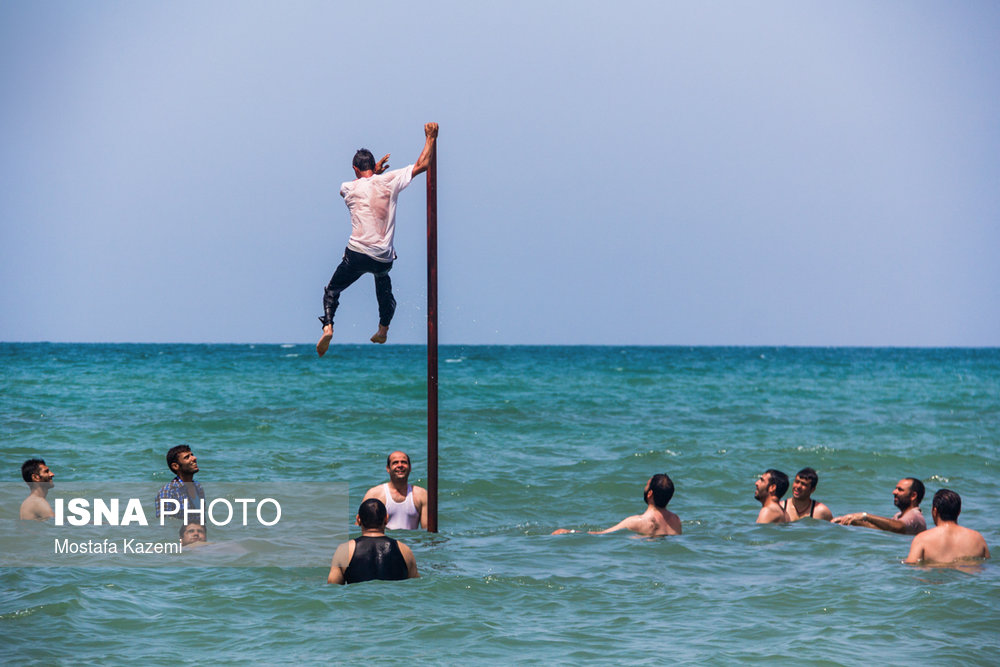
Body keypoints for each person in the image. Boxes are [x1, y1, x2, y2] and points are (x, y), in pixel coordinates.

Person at [316, 122, 440, 356]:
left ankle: (328, 327)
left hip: (355, 254)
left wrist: (375, 174)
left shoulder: (347, 188)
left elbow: (362, 185)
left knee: (332, 290)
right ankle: (383, 330)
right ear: (374, 165)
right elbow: (424, 164)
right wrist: (430, 138)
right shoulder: (390, 181)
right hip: (382, 257)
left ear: (354, 168)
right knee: (383, 285)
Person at [552, 474, 682, 537]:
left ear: (650, 494)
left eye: (646, 485)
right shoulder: (676, 521)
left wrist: (568, 532)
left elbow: (601, 535)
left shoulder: (636, 522)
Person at [327, 498, 419, 585]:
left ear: (358, 520)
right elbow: (416, 587)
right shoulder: (404, 550)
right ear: (386, 519)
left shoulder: (344, 551)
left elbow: (332, 590)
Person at [904, 489, 990, 564]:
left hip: (936, 580)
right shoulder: (978, 538)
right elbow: (986, 565)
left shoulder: (922, 539)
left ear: (935, 511)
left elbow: (912, 566)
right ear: (959, 512)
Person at [832, 477, 926, 534]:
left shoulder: (915, 515)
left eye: (900, 490)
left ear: (913, 495)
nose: (894, 492)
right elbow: (883, 529)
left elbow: (897, 527)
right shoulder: (899, 516)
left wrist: (865, 516)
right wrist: (853, 521)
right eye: (895, 488)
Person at [361, 451, 428, 530]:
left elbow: (427, 532)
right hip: (384, 542)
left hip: (411, 542)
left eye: (404, 462)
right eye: (395, 463)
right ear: (388, 469)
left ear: (410, 468)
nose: (400, 465)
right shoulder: (374, 494)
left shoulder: (422, 494)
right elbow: (361, 527)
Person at [154, 445, 205, 520]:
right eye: (187, 457)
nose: (194, 458)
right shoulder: (168, 492)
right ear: (175, 466)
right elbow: (165, 525)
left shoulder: (198, 487)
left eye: (192, 455)